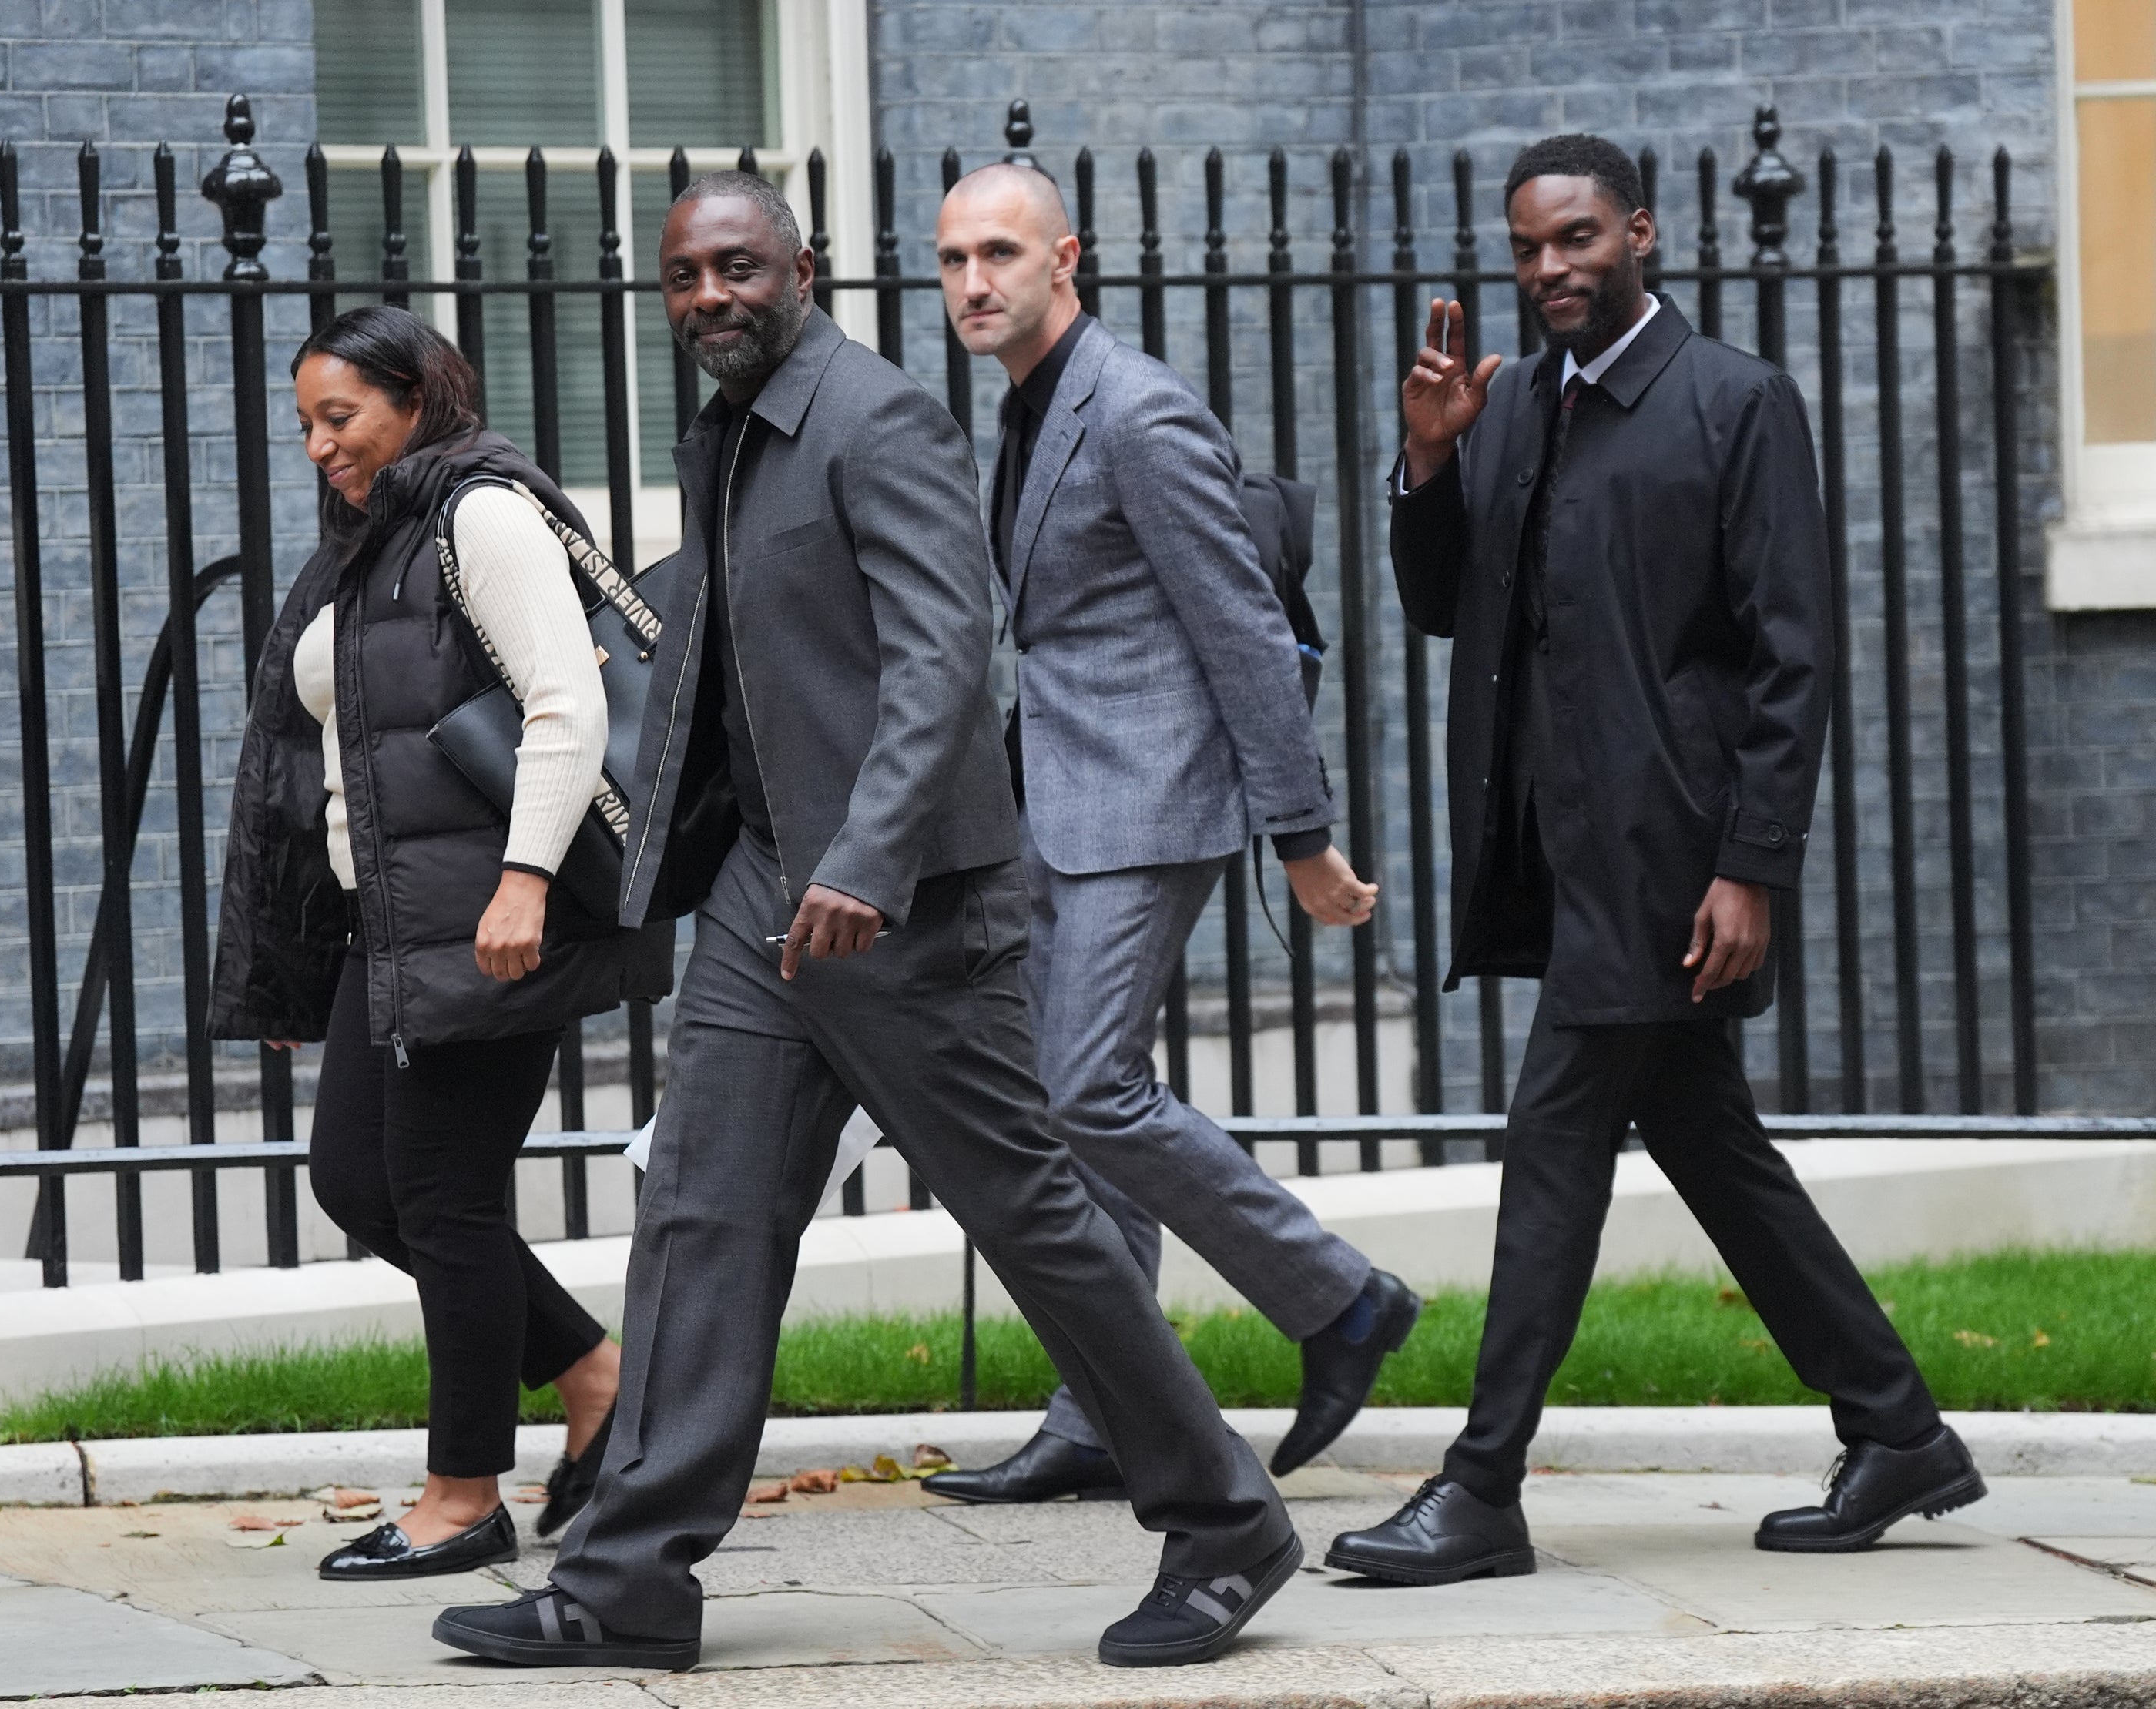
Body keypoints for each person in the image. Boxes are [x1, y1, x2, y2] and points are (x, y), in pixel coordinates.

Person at [428, 172, 1299, 1673]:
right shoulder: (724, 433)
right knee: (702, 1211)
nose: (712, 297)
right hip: (771, 890)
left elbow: (945, 653)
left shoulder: (876, 417)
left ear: (804, 270)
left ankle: (1225, 1521)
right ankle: (628, 1577)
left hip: (899, 909)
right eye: (688, 277)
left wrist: (873, 858)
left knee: (1033, 1217)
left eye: (741, 270)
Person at [1324, 135, 1981, 1587]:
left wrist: (1752, 864)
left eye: (1576, 239)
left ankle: (1482, 1484)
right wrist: (1428, 463)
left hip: (1671, 860)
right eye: (1527, 249)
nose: (1551, 269)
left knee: (1554, 1141)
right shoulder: (1501, 411)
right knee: (1708, 1143)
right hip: (1553, 853)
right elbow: (1444, 606)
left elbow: (1789, 660)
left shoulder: (1737, 402)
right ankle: (1898, 1428)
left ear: (1642, 234)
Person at [917, 163, 1420, 1510]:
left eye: (1001, 253)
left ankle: (1341, 1300)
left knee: (1089, 1090)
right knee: (1073, 1112)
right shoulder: (1027, 411)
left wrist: (1300, 833)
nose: (974, 281)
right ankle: (1102, 1410)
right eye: (955, 257)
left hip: (1149, 800)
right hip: (1061, 799)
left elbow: (1245, 629)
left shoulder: (1136, 412)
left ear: (1064, 259)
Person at [210, 305, 669, 1580]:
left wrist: (524, 880)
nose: (317, 445)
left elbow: (567, 705)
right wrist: (298, 956)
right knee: (359, 1180)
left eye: (340, 418)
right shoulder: (377, 544)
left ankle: (465, 1496)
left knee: (444, 1200)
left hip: (485, 918)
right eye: (303, 422)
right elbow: (334, 760)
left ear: (418, 402)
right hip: (396, 924)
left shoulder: (480, 514)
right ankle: (592, 1373)